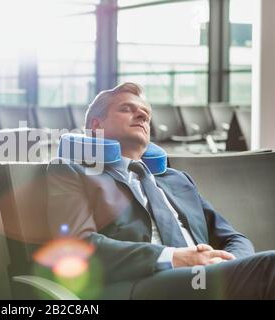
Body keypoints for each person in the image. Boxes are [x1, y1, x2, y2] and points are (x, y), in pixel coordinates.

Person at [46, 82, 274, 299]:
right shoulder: (72, 171)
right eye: (127, 109)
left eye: (145, 113)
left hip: (202, 278)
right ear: (96, 126)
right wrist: (174, 258)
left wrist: (229, 262)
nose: (142, 115)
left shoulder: (176, 179)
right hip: (139, 283)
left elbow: (233, 237)